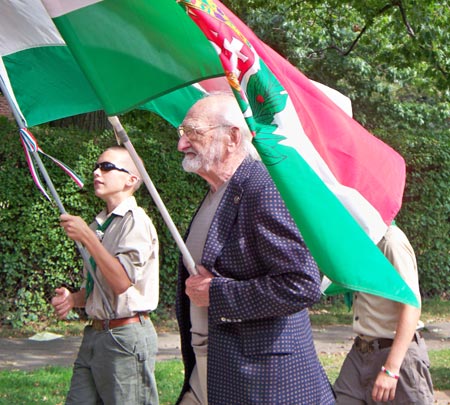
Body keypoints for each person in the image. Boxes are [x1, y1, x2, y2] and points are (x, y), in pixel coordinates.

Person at [175, 93, 335, 404]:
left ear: (232, 137)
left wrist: (217, 294)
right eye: (182, 134)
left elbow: (301, 284)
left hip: (263, 381)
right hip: (216, 369)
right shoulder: (217, 193)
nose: (182, 144)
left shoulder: (263, 188)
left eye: (193, 133)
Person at [51, 146, 159, 405]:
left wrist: (88, 238)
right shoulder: (102, 224)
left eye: (107, 167)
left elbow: (122, 282)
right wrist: (74, 299)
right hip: (96, 336)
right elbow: (101, 287)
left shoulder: (136, 221)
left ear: (131, 179)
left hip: (125, 337)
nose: (97, 172)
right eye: (97, 167)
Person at [333, 224, 434, 404]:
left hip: (397, 355)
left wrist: (391, 369)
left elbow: (411, 306)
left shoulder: (391, 241)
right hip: (361, 352)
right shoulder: (361, 239)